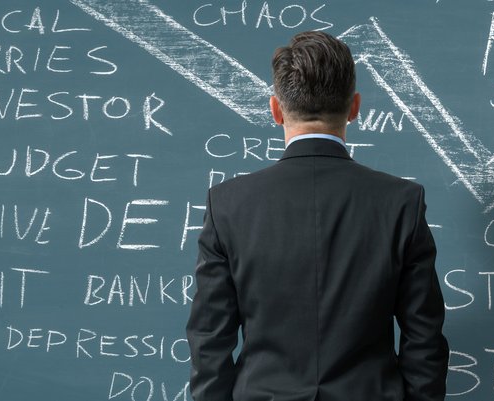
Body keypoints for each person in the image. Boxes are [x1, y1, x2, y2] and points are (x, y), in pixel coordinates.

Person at [186, 30, 450, 401]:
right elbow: (424, 339)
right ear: (354, 107)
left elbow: (210, 342)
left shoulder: (227, 205)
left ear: (276, 110)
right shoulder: (401, 202)